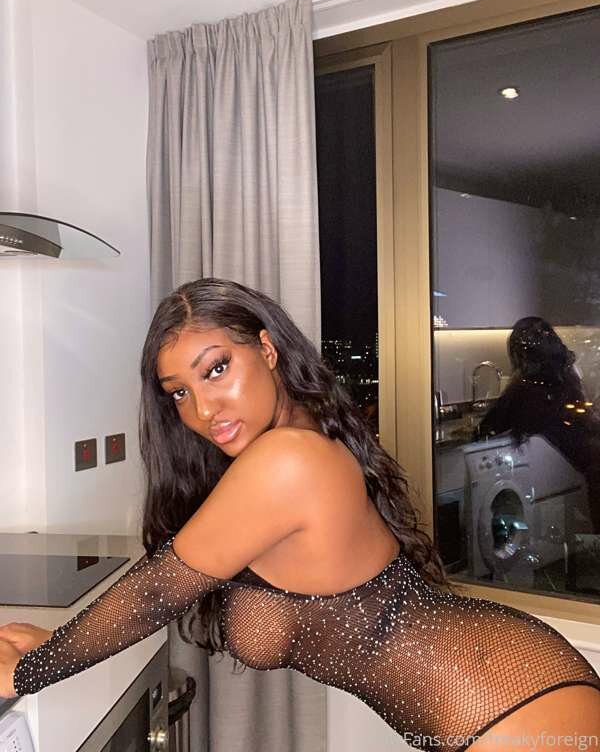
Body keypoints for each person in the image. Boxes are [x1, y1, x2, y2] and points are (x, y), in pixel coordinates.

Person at [1, 280, 599, 751]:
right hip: (500, 702)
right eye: (180, 391)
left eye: (216, 369)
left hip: (517, 709)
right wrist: (57, 642)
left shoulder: (286, 459)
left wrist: (27, 673)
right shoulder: (295, 443)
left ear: (266, 349)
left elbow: (155, 592)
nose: (203, 408)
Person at [476, 316, 600, 534]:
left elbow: (488, 428)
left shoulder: (525, 388)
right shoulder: (566, 378)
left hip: (574, 470)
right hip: (582, 465)